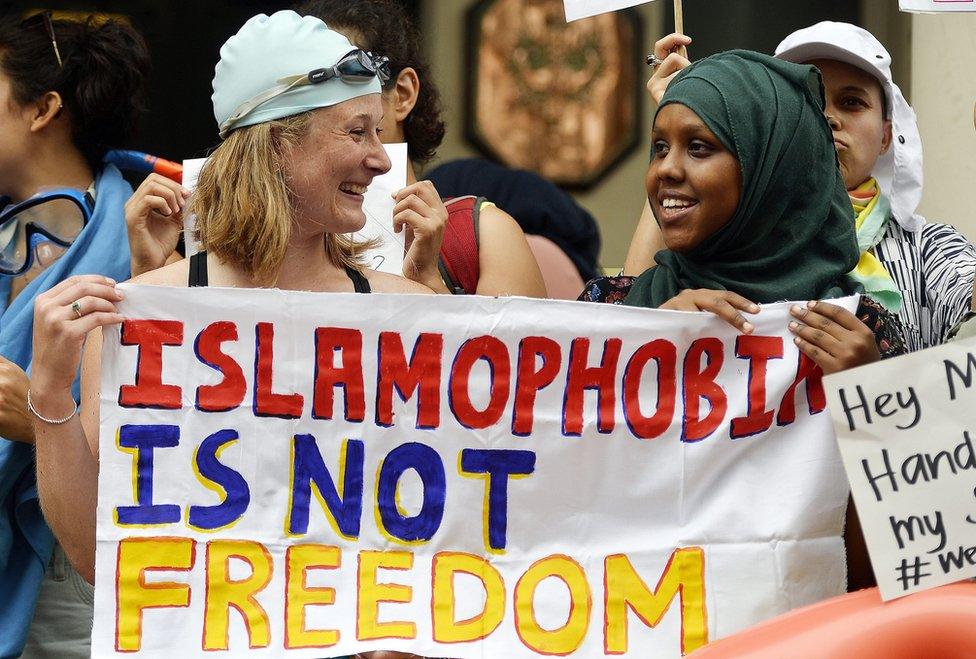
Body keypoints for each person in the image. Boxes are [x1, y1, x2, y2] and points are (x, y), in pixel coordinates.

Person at [28, 7, 432, 586]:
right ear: (277, 144)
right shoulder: (139, 315)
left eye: (378, 131)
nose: (381, 158)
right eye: (356, 131)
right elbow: (96, 558)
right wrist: (48, 388)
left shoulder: (408, 311)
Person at [626, 24, 976, 352]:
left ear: (887, 135)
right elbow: (630, 301)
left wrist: (867, 380)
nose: (828, 118)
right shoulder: (703, 240)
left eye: (852, 102)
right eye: (809, 102)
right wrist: (689, 120)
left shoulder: (928, 250)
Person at [0, 11, 149, 656]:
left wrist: (40, 417)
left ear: (43, 109)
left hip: (71, 562)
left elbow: (174, 441)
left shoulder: (150, 237)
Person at [294, 0, 546, 298]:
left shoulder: (485, 237)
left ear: (402, 94)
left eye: (348, 82)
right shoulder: (279, 238)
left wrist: (429, 283)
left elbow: (503, 346)